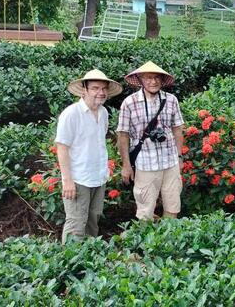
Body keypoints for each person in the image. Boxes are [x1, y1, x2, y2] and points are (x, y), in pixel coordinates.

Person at [56, 69, 122, 243]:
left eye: (103, 88)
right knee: (76, 224)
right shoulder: (71, 114)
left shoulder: (103, 113)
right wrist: (67, 181)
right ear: (84, 90)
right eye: (95, 88)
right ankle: (69, 263)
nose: (100, 92)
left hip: (98, 177)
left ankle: (89, 260)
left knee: (93, 220)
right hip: (78, 179)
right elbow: (62, 148)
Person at [117, 61, 185, 221]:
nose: (153, 82)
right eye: (148, 78)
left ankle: (169, 239)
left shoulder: (171, 100)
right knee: (145, 210)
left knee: (173, 205)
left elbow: (177, 129)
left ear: (162, 80)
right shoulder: (129, 102)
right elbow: (123, 135)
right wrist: (126, 165)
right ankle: (147, 243)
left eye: (156, 78)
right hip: (145, 163)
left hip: (170, 161)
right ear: (140, 79)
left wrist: (180, 156)